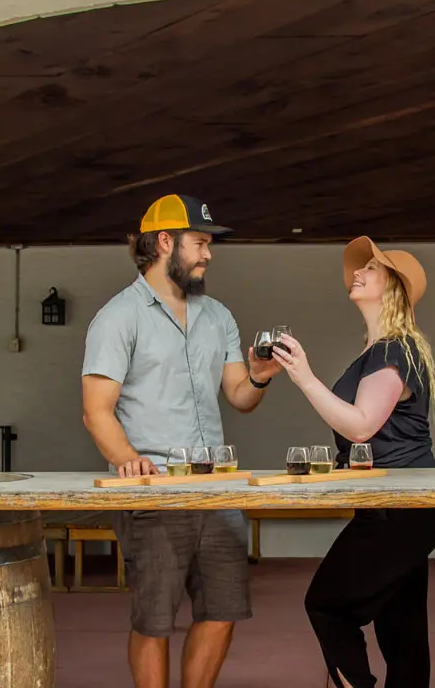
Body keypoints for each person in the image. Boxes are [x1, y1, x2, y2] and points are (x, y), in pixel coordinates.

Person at [80, 193, 281, 688]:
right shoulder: (118, 317)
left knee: (223, 608)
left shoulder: (219, 316)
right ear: (164, 242)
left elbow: (239, 397)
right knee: (155, 618)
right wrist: (127, 459)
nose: (208, 254)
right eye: (199, 243)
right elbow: (95, 410)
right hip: (153, 490)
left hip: (217, 486)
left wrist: (259, 376)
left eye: (209, 244)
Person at [270, 235, 435, 688]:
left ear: (393, 288)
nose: (358, 272)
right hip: (402, 504)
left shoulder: (395, 350)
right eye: (360, 266)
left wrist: (303, 376)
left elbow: (362, 426)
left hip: (403, 508)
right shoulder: (381, 350)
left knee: (327, 606)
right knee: (402, 630)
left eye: (371, 268)